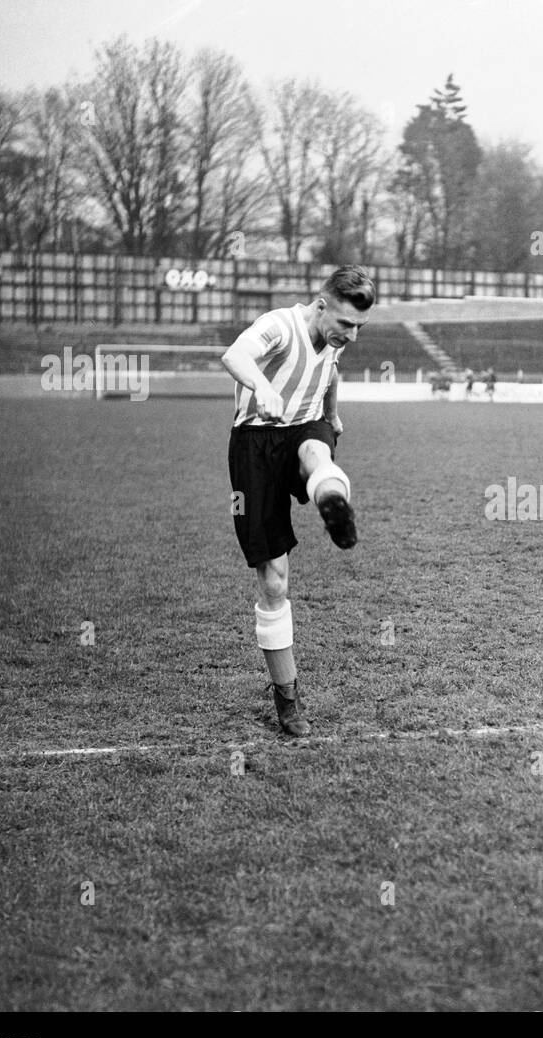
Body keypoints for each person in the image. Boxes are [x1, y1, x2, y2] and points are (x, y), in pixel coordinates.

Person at [221, 265, 373, 737]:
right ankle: (286, 697)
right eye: (346, 324)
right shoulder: (280, 324)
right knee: (275, 580)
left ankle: (333, 507)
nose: (352, 335)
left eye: (359, 327)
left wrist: (331, 413)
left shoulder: (333, 340)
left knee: (315, 450)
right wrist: (262, 387)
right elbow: (236, 354)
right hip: (256, 443)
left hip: (304, 428)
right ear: (321, 304)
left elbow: (329, 373)